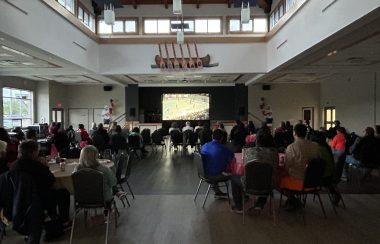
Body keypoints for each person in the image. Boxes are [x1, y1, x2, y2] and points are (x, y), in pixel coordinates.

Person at [11, 140, 71, 238]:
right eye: (38, 151)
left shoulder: (14, 166)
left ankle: (52, 216)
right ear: (34, 152)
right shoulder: (36, 166)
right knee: (63, 193)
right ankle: (64, 221)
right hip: (38, 200)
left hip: (18, 199)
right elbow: (50, 181)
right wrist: (45, 166)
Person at [231, 130, 278, 213]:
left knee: (234, 178)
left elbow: (245, 165)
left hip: (250, 184)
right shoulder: (274, 153)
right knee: (265, 175)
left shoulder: (249, 152)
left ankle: (239, 206)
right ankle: (260, 202)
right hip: (269, 185)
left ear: (257, 140)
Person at [278, 123, 319, 211]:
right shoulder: (314, 146)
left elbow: (286, 167)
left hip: (298, 180)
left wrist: (282, 161)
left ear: (294, 133)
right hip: (312, 181)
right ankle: (292, 201)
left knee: (276, 180)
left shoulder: (292, 147)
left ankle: (293, 199)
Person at [201, 129, 234, 198]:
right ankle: (239, 198)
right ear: (222, 138)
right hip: (215, 175)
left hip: (204, 173)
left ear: (212, 136)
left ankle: (217, 192)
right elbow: (232, 160)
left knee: (213, 166)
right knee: (235, 175)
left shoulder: (204, 146)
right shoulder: (224, 148)